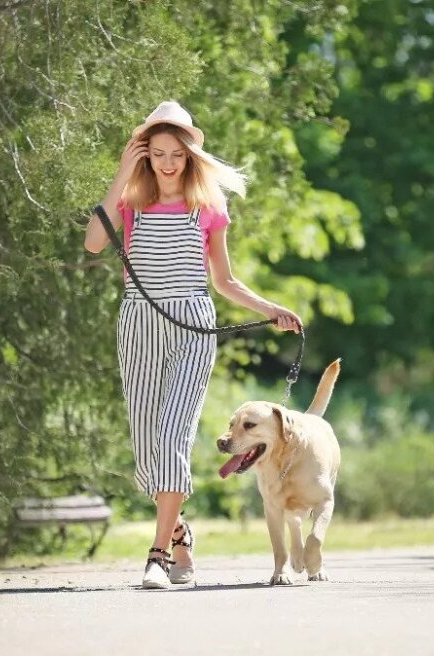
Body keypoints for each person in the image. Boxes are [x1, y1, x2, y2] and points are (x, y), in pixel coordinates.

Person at [84, 101, 302, 589]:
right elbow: (94, 244)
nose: (166, 163)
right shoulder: (131, 202)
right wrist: (121, 171)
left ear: (188, 157)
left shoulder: (208, 206)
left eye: (175, 154)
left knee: (174, 439)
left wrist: (270, 309)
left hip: (192, 325)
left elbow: (224, 280)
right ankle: (180, 532)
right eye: (156, 152)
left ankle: (158, 555)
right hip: (139, 323)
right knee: (146, 449)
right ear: (145, 155)